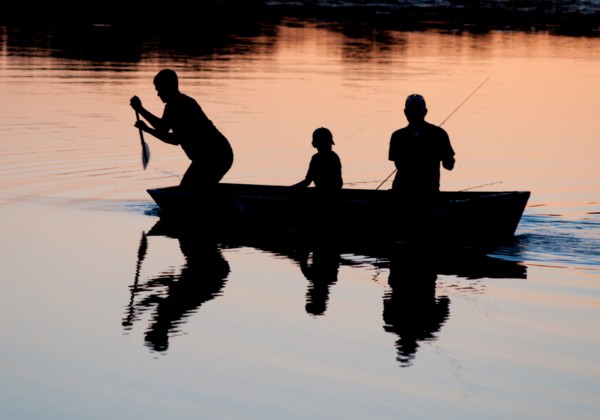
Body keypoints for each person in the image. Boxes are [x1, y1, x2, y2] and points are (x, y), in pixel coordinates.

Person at [130, 69, 233, 190]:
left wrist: (141, 111)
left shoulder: (179, 106)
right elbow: (169, 134)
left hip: (214, 156)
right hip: (212, 156)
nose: (158, 94)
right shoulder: (176, 104)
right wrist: (146, 127)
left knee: (189, 190)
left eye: (159, 89)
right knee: (194, 189)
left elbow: (166, 132)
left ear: (167, 87)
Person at [388, 94, 455, 196]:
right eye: (412, 110)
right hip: (411, 192)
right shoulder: (439, 133)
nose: (414, 113)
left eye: (416, 110)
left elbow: (449, 165)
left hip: (415, 192)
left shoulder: (398, 136)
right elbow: (449, 166)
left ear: (405, 112)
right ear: (425, 112)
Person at [291, 127, 343, 192]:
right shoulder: (335, 157)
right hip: (334, 193)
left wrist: (290, 189)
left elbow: (307, 181)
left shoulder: (316, 159)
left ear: (314, 144)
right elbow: (339, 184)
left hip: (324, 195)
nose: (329, 146)